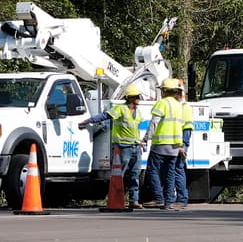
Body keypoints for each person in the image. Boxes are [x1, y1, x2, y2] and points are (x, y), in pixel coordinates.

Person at [78, 84, 146, 210]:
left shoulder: (138, 113)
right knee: (118, 175)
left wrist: (140, 142)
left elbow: (135, 129)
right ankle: (116, 199)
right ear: (129, 97)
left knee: (135, 174)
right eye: (136, 96)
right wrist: (88, 121)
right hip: (123, 147)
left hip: (136, 147)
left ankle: (134, 200)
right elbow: (105, 116)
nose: (138, 99)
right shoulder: (120, 109)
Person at [143, 77, 185, 210]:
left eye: (162, 90)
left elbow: (154, 122)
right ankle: (168, 202)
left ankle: (159, 198)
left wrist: (146, 138)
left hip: (160, 144)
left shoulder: (162, 103)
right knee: (170, 174)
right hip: (175, 146)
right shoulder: (179, 106)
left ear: (165, 91)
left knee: (152, 170)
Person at [173, 78, 193, 209]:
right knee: (176, 170)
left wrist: (182, 146)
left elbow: (186, 128)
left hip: (180, 143)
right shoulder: (180, 106)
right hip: (177, 143)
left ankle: (181, 199)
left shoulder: (183, 107)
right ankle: (178, 199)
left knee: (177, 169)